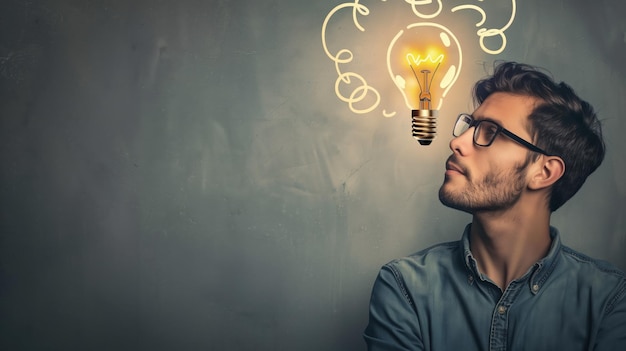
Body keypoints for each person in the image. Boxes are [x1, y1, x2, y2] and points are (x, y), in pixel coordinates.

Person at [363, 61, 626, 351]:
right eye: (471, 126)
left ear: (544, 172)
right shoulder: (406, 286)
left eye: (490, 132)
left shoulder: (608, 300)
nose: (457, 142)